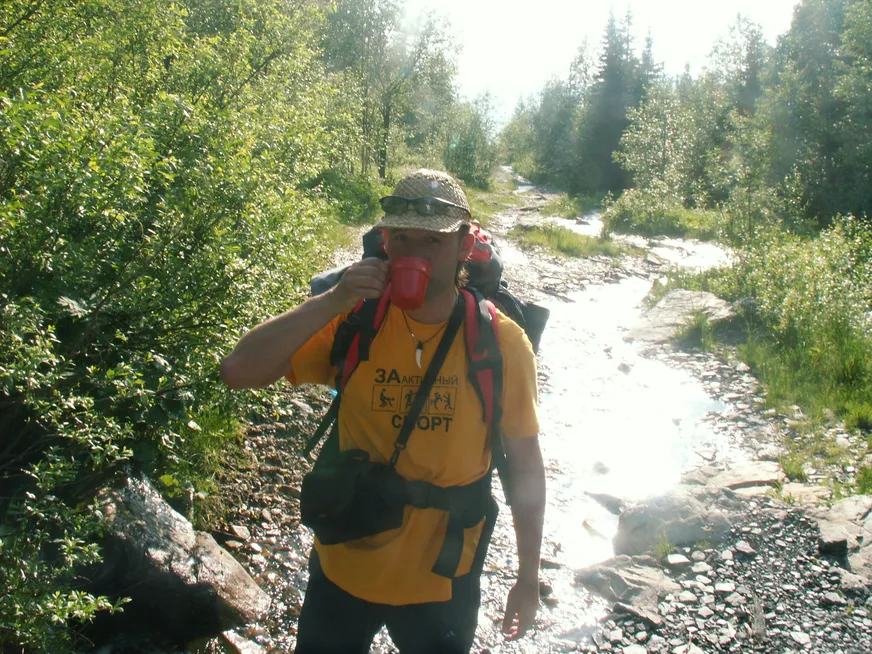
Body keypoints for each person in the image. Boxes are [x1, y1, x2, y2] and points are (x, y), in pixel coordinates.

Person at [220, 169, 546, 653]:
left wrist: (528, 578)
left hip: (442, 577)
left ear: (463, 246)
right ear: (384, 242)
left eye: (432, 240)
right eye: (402, 237)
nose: (414, 252)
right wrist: (334, 298)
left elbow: (524, 465)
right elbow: (238, 370)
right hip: (345, 561)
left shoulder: (499, 341)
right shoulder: (355, 319)